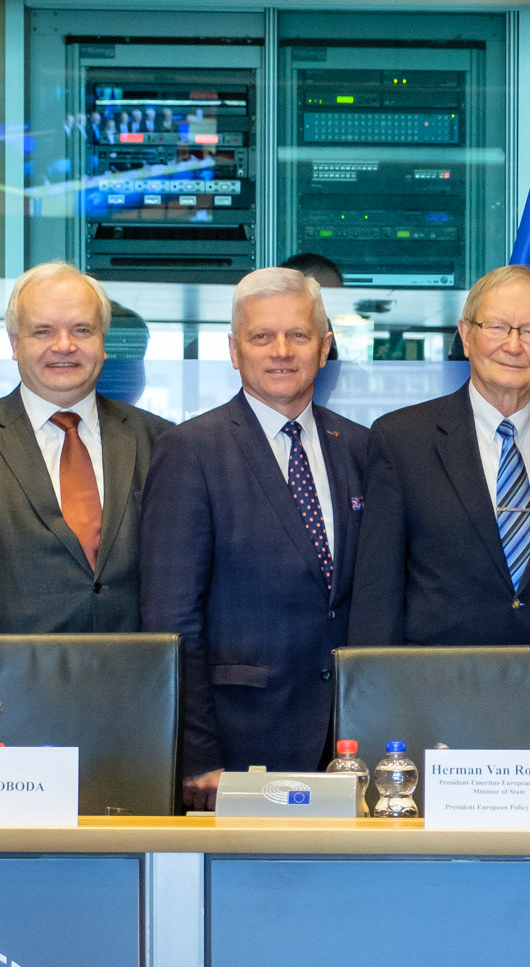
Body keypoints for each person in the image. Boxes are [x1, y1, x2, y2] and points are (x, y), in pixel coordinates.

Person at [0, 261, 173, 747]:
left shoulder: (159, 440)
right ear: (15, 343)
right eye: (43, 331)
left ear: (103, 342)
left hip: (132, 709)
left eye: (81, 329)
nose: (64, 345)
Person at [140, 268, 368, 809]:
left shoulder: (359, 447)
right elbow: (171, 618)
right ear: (234, 350)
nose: (281, 351)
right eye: (262, 336)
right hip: (237, 742)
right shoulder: (190, 450)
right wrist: (197, 753)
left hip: (348, 735)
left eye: (298, 335)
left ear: (324, 347)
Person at [349, 264, 530, 646]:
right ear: (466, 335)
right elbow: (377, 594)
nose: (513, 345)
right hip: (436, 680)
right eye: (497, 327)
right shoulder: (402, 440)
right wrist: (372, 680)